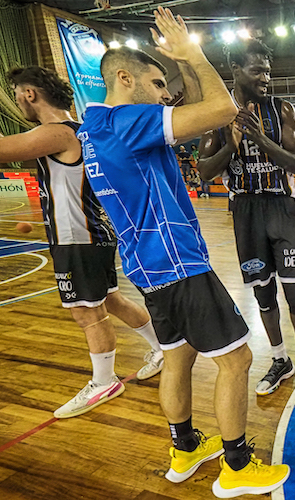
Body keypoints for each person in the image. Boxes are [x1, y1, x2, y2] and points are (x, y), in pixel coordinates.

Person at [77, 8, 289, 496]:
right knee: (235, 360)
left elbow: (195, 110)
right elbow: (222, 109)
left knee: (177, 358)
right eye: (155, 83)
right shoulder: (131, 121)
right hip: (178, 263)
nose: (162, 95)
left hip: (146, 268)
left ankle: (185, 447)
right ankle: (237, 467)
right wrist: (192, 55)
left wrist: (188, 70)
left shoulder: (96, 129)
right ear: (124, 79)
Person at [0, 65, 164, 419]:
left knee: (87, 311)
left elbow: (4, 149)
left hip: (78, 236)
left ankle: (104, 381)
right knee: (112, 300)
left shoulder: (59, 133)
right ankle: (161, 347)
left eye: (17, 96)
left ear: (30, 94)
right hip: (91, 233)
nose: (17, 104)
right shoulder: (75, 130)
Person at [197, 38, 295, 401]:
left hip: (281, 209)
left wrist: (261, 139)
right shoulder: (219, 114)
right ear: (236, 70)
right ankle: (280, 359)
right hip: (246, 213)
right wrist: (232, 145)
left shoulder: (283, 111)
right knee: (264, 295)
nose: (266, 77)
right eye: (258, 71)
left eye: (268, 71)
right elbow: (205, 171)